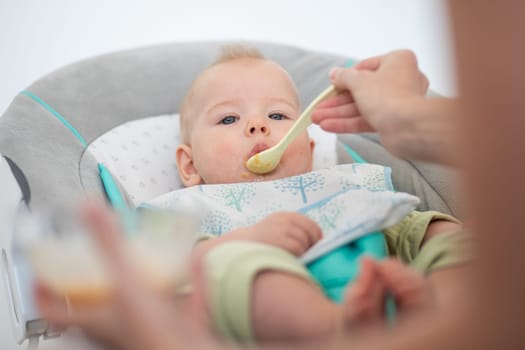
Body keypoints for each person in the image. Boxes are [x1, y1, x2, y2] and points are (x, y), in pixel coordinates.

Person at [37, 1, 525, 346]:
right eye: (229, 119)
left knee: (444, 229)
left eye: (278, 116)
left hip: (379, 263)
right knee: (227, 265)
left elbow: (400, 224)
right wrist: (249, 238)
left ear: (309, 148)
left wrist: (433, 232)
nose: (256, 124)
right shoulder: (187, 209)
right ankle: (331, 329)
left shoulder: (344, 183)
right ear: (188, 165)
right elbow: (167, 278)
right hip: (272, 298)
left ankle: (446, 307)